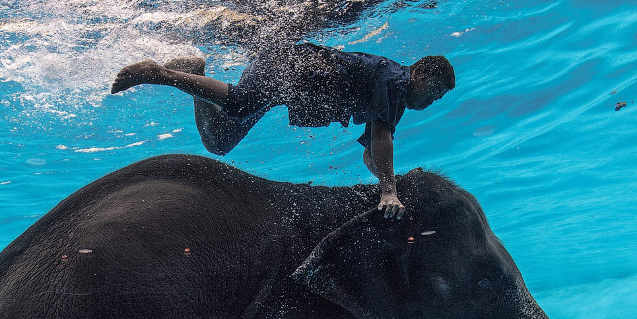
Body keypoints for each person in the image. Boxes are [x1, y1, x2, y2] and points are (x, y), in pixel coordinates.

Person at [111, 43, 454, 219]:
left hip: (286, 79)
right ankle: (159, 73)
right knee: (241, 103)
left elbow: (371, 154)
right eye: (434, 95)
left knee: (219, 141)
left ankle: (191, 71)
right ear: (422, 75)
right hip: (289, 65)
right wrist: (389, 191)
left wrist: (392, 185)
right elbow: (381, 140)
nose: (430, 103)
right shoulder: (396, 82)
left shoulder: (392, 94)